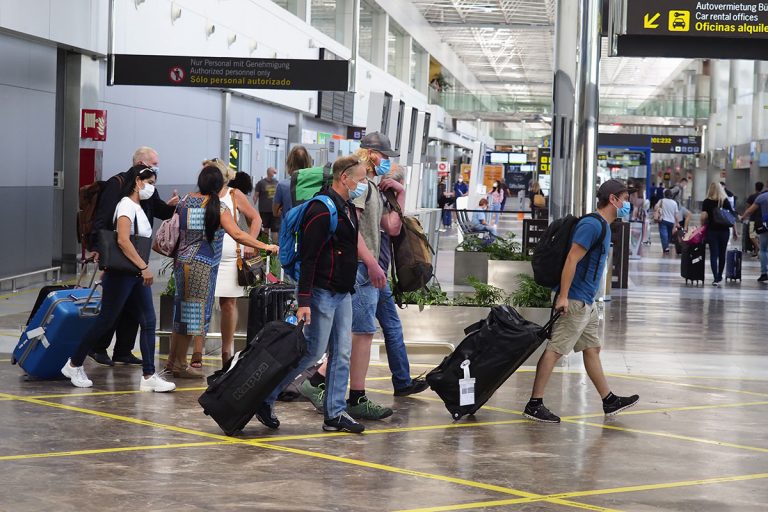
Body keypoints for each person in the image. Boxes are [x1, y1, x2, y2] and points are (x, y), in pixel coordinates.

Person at [256, 155, 368, 434]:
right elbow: (309, 258)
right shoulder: (321, 209)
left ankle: (334, 414)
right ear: (345, 177)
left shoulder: (347, 208)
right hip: (320, 293)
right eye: (361, 179)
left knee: (342, 353)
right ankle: (265, 396)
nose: (363, 184)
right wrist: (304, 301)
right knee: (311, 352)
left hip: (342, 292)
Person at [298, 133, 403, 421]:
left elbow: (391, 228)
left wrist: (400, 194)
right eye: (384, 156)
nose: (388, 162)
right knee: (352, 338)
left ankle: (340, 399)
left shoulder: (371, 186)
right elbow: (352, 229)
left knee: (356, 338)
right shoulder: (359, 187)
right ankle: (346, 395)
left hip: (366, 270)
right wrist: (371, 262)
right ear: (371, 154)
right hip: (359, 271)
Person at [523, 179, 639, 423]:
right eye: (625, 199)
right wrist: (563, 296)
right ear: (613, 199)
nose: (628, 203)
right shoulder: (591, 225)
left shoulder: (604, 225)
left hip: (587, 300)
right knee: (555, 350)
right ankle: (535, 403)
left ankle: (609, 400)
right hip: (575, 300)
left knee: (592, 348)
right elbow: (571, 260)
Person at [62, 166, 176, 392]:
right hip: (123, 274)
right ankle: (73, 364)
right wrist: (144, 267)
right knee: (105, 320)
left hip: (132, 274)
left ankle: (149, 374)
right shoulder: (125, 205)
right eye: (150, 182)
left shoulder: (138, 206)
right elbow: (123, 240)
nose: (152, 187)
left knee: (148, 321)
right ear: (137, 181)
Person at [164, 165, 277, 377]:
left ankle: (172, 361)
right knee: (193, 317)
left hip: (182, 263)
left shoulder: (185, 200)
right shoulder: (216, 207)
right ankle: (179, 365)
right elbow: (238, 234)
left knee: (182, 313)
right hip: (202, 265)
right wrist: (265, 246)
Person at [88, 146, 179, 367]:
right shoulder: (117, 186)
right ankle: (90, 350)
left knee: (137, 313)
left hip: (138, 254)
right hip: (121, 255)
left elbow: (158, 210)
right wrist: (97, 247)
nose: (155, 168)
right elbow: (103, 219)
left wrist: (173, 207)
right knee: (112, 312)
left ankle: (124, 351)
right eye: (152, 164)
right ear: (140, 165)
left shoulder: (148, 188)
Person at [213, 161, 262, 370]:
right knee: (201, 305)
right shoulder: (202, 195)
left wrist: (251, 242)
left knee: (228, 304)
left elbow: (255, 218)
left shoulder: (234, 195)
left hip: (232, 256)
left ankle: (227, 349)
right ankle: (197, 351)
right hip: (208, 257)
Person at [701, 182, 739, 286]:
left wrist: (701, 228)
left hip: (712, 230)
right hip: (724, 231)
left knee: (713, 254)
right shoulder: (725, 201)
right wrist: (735, 231)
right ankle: (719, 275)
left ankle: (715, 278)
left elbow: (703, 217)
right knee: (722, 254)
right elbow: (732, 217)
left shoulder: (706, 202)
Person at [273, 145, 312, 220]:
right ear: (308, 161)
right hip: (309, 229)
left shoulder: (283, 185)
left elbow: (275, 212)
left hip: (289, 229)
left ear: (290, 162)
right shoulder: (316, 184)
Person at [739, 185, 768, 283]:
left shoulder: (762, 197)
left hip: (765, 226)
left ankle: (764, 273)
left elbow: (750, 210)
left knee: (763, 249)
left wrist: (742, 217)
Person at [654, 189, 680, 254]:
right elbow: (676, 214)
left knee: (664, 235)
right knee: (669, 235)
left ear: (664, 194)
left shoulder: (661, 200)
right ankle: (666, 247)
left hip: (663, 220)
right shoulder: (674, 203)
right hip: (671, 222)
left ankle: (666, 248)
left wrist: (658, 209)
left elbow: (655, 208)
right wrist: (677, 222)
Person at [254, 167, 279, 236]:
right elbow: (256, 195)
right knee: (265, 228)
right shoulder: (261, 183)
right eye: (273, 172)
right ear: (269, 172)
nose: (275, 174)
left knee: (275, 229)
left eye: (275, 172)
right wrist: (253, 205)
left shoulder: (277, 183)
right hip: (264, 210)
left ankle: (275, 245)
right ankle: (265, 244)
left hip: (275, 209)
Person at [745, 182, 765, 258]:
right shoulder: (763, 196)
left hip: (753, 219)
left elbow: (748, 207)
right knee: (760, 235)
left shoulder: (752, 196)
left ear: (755, 187)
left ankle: (759, 248)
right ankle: (756, 251)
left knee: (752, 235)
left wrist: (745, 216)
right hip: (762, 219)